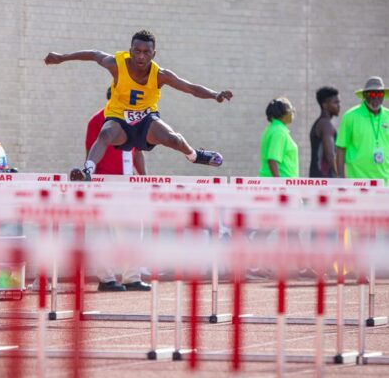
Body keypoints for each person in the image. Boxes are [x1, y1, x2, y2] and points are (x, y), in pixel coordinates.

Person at [44, 30, 233, 181]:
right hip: (119, 119)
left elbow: (190, 88)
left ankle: (194, 155)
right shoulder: (116, 64)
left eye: (146, 52)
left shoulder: (160, 75)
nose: (141, 57)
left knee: (173, 139)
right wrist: (62, 57)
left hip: (145, 120)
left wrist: (214, 94)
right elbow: (94, 55)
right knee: (105, 133)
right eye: (137, 51)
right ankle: (87, 171)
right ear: (131, 50)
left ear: (154, 54)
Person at [86, 88, 151, 292]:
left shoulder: (135, 119)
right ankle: (106, 278)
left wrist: (144, 178)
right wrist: (91, 181)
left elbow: (138, 152)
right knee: (102, 232)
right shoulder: (97, 120)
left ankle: (132, 277)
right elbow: (90, 152)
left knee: (133, 229)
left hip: (128, 183)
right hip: (104, 183)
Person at [336, 76, 389, 183]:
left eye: (379, 94)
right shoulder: (350, 116)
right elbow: (341, 149)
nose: (376, 98)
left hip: (385, 182)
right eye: (372, 94)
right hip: (357, 182)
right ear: (365, 95)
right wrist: (341, 179)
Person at [258, 97, 299, 178]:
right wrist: (279, 185)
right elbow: (272, 160)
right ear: (283, 113)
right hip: (280, 184)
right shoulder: (279, 132)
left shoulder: (272, 128)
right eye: (291, 111)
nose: (292, 113)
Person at [309, 86, 341, 178]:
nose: (339, 105)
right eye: (335, 102)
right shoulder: (325, 125)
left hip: (318, 179)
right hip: (325, 180)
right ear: (325, 105)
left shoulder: (320, 123)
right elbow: (330, 155)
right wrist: (340, 176)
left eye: (339, 102)